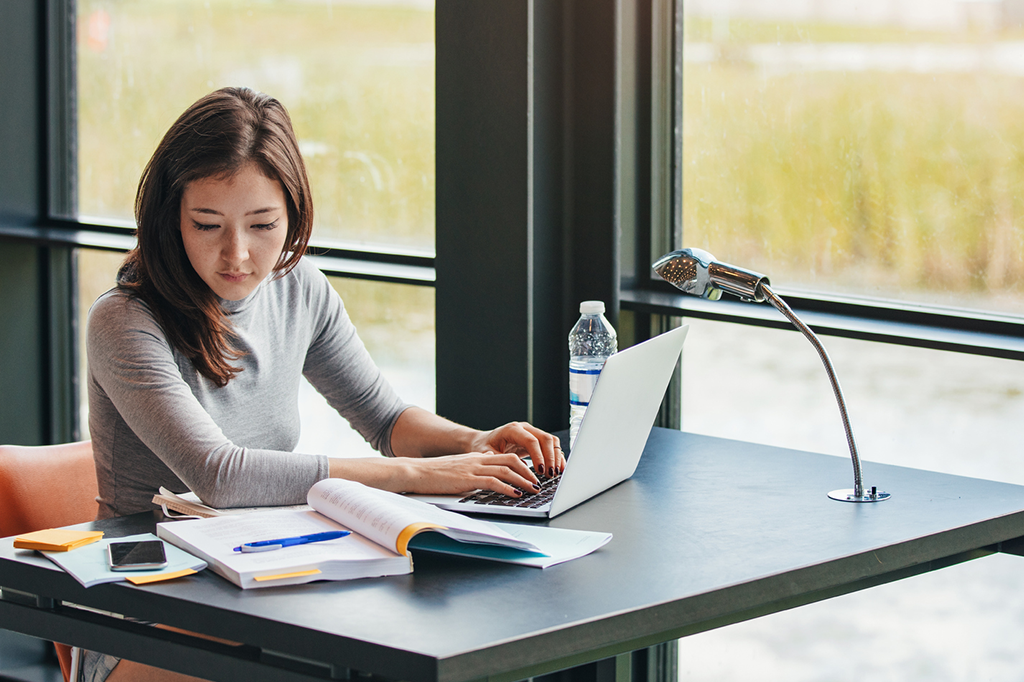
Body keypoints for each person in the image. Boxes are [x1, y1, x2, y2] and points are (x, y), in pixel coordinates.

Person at [81, 86, 564, 682]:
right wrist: (419, 477)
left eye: (263, 225)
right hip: (146, 614)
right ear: (169, 217)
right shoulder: (124, 321)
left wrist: (472, 443)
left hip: (266, 578)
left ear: (293, 214)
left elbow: (386, 421)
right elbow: (219, 476)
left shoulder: (298, 287)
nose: (238, 254)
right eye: (207, 224)